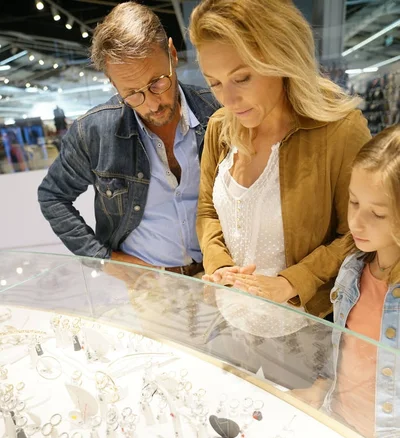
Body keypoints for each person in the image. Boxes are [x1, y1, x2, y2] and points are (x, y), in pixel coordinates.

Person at [189, 0, 371, 319]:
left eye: (242, 77)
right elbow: (207, 210)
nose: (228, 100)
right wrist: (220, 266)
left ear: (281, 58)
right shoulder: (219, 127)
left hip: (309, 324)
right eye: (214, 83)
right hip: (233, 317)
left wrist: (292, 282)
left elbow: (358, 235)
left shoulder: (340, 132)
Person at [38, 2, 219, 276]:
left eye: (157, 82)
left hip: (222, 272)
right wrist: (106, 260)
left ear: (171, 53)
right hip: (150, 284)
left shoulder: (217, 112)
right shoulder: (94, 132)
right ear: (112, 82)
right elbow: (53, 196)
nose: (151, 104)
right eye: (132, 93)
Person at [321, 126, 400, 438]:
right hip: (340, 426)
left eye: (377, 213)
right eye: (353, 202)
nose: (356, 222)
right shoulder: (352, 270)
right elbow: (346, 351)